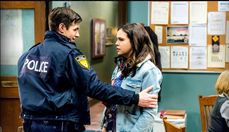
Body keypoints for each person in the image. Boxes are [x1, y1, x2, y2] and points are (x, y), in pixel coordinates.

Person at [17, 7, 158, 132]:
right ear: (61, 28)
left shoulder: (28, 54)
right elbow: (93, 86)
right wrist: (135, 97)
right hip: (59, 123)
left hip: (30, 122)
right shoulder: (70, 54)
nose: (78, 35)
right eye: (75, 29)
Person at [101, 23, 162, 132]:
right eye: (116, 39)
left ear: (134, 41)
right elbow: (113, 102)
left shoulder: (149, 70)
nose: (116, 43)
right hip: (112, 126)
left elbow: (149, 113)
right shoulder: (120, 67)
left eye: (121, 39)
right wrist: (105, 126)